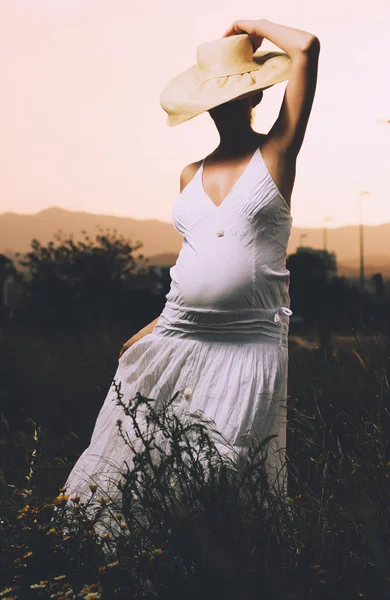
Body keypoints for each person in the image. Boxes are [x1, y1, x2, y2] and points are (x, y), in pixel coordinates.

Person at [59, 19, 320, 537]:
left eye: (237, 91)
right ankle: (123, 563)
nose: (227, 104)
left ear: (255, 98)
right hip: (180, 330)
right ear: (205, 105)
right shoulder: (189, 173)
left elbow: (308, 47)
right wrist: (158, 325)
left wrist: (250, 27)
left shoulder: (277, 153)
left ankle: (220, 570)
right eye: (216, 96)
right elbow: (195, 257)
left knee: (223, 469)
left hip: (250, 342)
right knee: (136, 454)